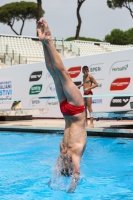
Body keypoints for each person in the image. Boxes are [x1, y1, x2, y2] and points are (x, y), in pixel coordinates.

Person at [37, 19, 87, 193]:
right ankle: (48, 38)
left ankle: (43, 42)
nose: (61, 159)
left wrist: (52, 181)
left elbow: (56, 170)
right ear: (69, 164)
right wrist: (71, 189)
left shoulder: (63, 150)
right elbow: (77, 173)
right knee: (63, 73)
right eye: (63, 162)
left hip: (66, 110)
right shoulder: (75, 155)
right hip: (77, 108)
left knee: (53, 73)